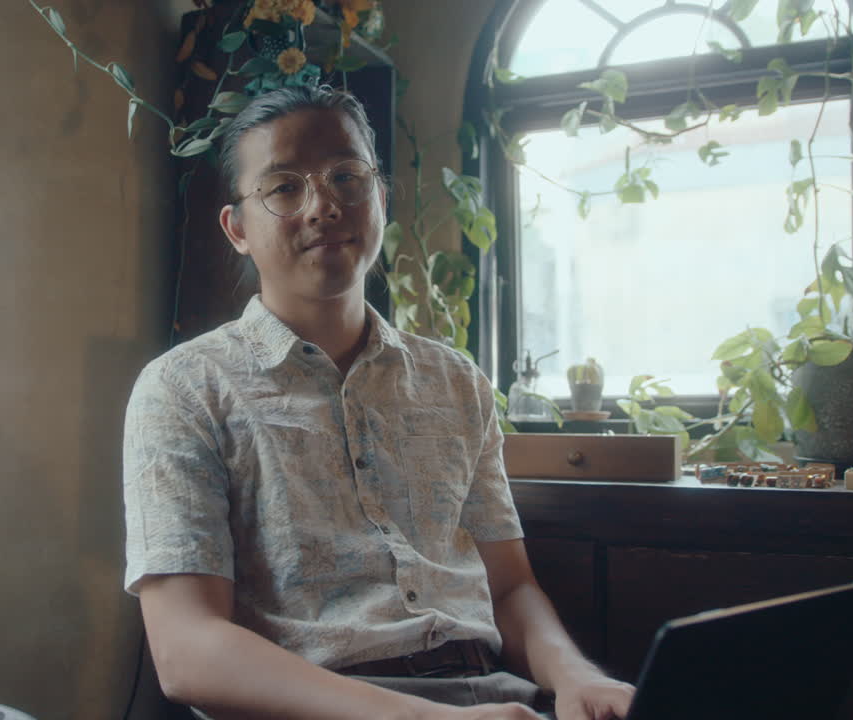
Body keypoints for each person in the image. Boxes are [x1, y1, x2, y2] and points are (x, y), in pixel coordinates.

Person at [122, 85, 634, 720]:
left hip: (494, 696)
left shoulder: (455, 381)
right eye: (284, 188)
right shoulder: (184, 388)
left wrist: (577, 678)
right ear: (238, 229)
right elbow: (186, 650)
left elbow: (510, 588)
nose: (323, 205)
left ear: (381, 200)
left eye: (346, 177)